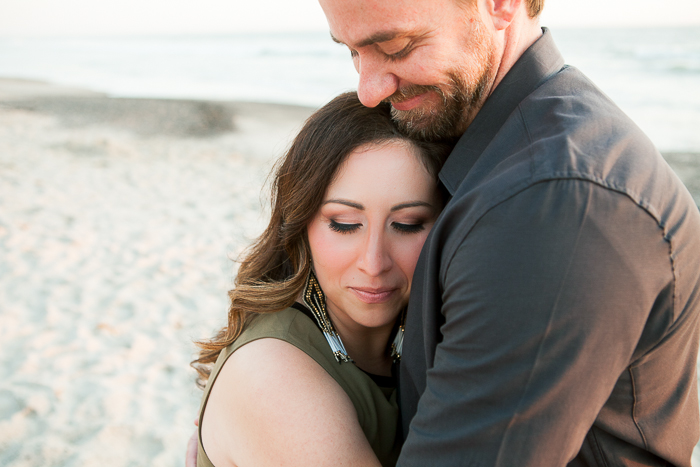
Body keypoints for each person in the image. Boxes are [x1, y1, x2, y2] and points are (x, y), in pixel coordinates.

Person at [317, 0, 700, 465]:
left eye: (395, 46)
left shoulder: (550, 204)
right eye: (353, 53)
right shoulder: (495, 152)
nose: (369, 90)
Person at [190, 92, 451, 467]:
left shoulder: (427, 332)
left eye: (407, 225)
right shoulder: (272, 377)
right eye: (345, 225)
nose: (373, 262)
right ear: (301, 224)